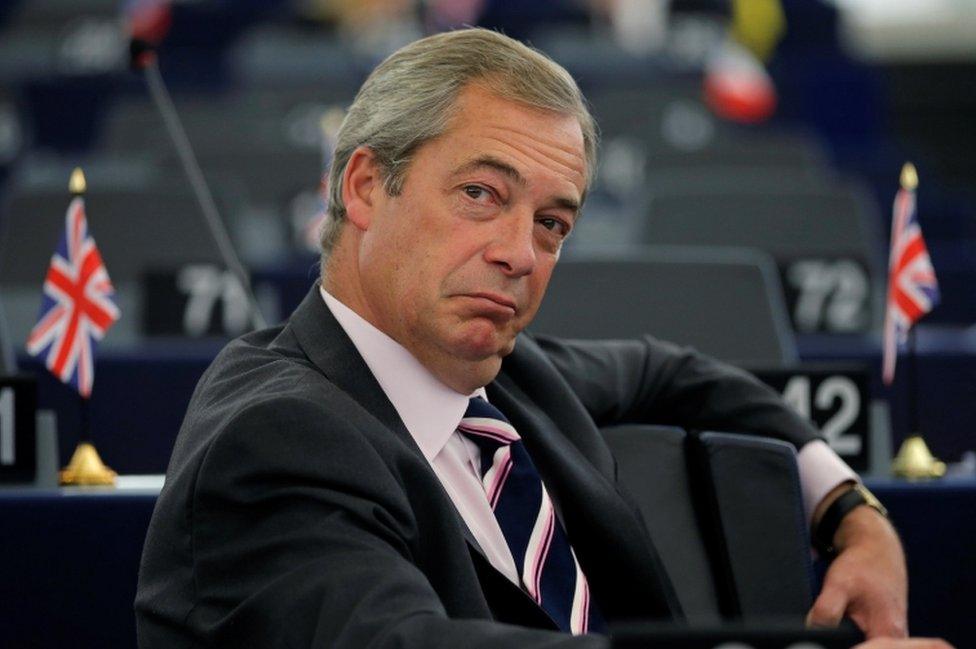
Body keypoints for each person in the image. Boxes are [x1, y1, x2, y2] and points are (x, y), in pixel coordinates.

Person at [136, 28, 945, 649]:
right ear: (364, 188)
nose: (522, 253)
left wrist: (854, 516)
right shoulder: (273, 437)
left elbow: (684, 374)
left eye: (552, 222)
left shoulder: (504, 376)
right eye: (483, 194)